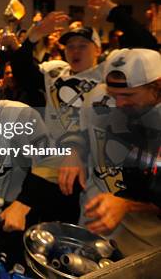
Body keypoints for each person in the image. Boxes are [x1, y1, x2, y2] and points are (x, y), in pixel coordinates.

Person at [58, 48, 161, 255]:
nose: (119, 103)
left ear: (157, 87)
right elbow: (82, 128)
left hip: (146, 248)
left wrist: (127, 205)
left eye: (128, 95)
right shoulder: (100, 97)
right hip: (94, 231)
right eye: (113, 95)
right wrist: (74, 151)